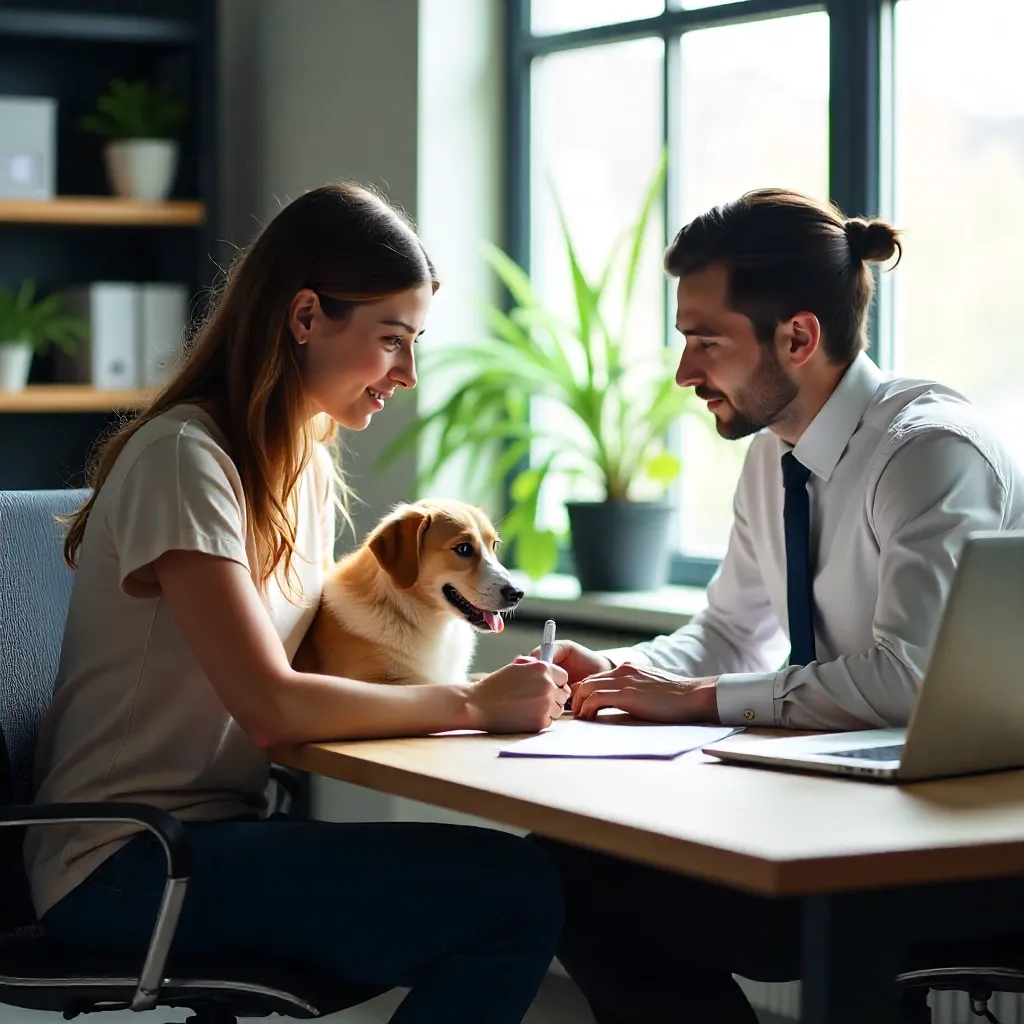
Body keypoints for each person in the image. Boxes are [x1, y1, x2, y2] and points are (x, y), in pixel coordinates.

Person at [26, 182, 570, 1024]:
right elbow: (271, 706)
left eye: (415, 344)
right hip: (126, 862)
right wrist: (471, 701)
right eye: (392, 340)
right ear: (306, 315)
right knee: (516, 893)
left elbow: (321, 659)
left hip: (216, 837)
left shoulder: (303, 470)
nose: (408, 375)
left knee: (530, 877)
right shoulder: (187, 459)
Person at [529, 187, 1024, 1023]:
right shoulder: (773, 455)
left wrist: (697, 700)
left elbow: (911, 679)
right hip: (848, 822)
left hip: (954, 847)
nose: (685, 372)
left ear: (798, 337)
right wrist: (621, 673)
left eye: (704, 342)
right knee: (567, 871)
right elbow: (731, 628)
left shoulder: (929, 453)